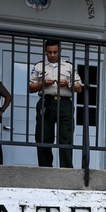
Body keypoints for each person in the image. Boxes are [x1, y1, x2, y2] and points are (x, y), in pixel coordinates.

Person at [28, 39, 82, 168]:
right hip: (46, 102)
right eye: (49, 52)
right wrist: (42, 84)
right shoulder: (38, 66)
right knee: (44, 137)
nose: (52, 55)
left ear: (60, 51)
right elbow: (30, 88)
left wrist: (68, 84)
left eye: (55, 52)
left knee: (65, 137)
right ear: (45, 52)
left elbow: (79, 88)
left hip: (64, 103)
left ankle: (66, 170)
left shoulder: (68, 66)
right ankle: (45, 169)